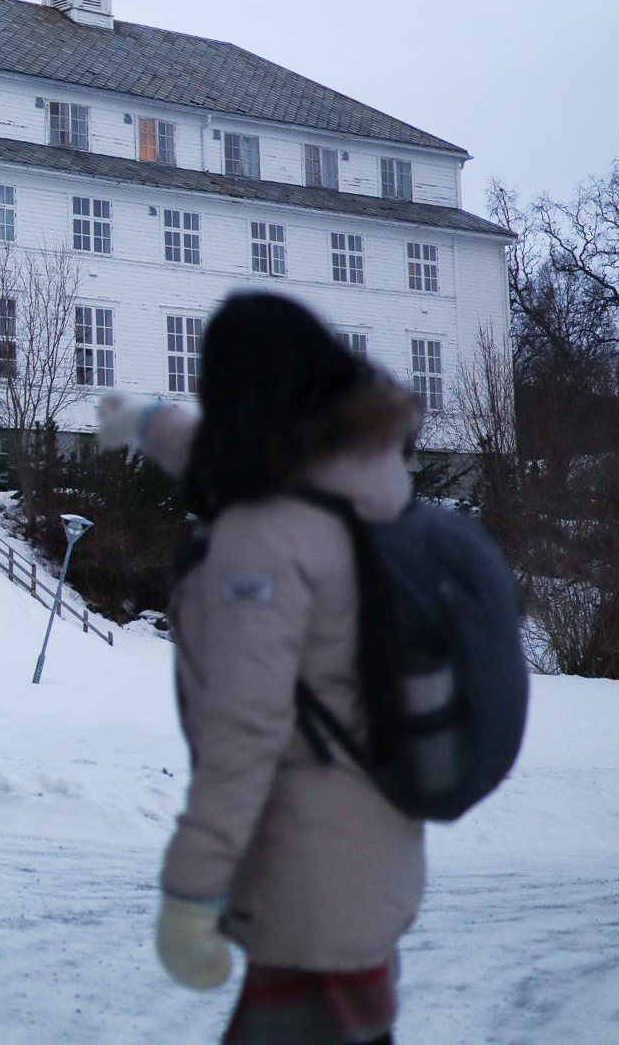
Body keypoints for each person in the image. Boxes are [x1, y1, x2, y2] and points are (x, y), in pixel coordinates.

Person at [99, 292, 425, 1045]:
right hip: (367, 854)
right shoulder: (352, 484)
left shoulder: (262, 537)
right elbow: (223, 457)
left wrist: (188, 891)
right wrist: (147, 423)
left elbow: (245, 731)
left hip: (303, 882)